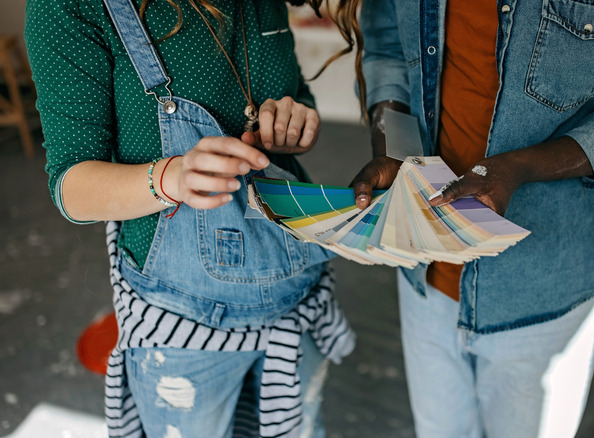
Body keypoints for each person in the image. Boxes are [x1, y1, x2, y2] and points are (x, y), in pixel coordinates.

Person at [352, 0, 594, 436]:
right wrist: (394, 149)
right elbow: (387, 48)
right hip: (421, 268)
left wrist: (523, 167)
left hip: (544, 289)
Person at [25, 0, 363, 437]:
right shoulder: (71, 8)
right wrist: (171, 177)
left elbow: (296, 94)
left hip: (294, 297)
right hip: (182, 323)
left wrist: (296, 122)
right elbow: (72, 186)